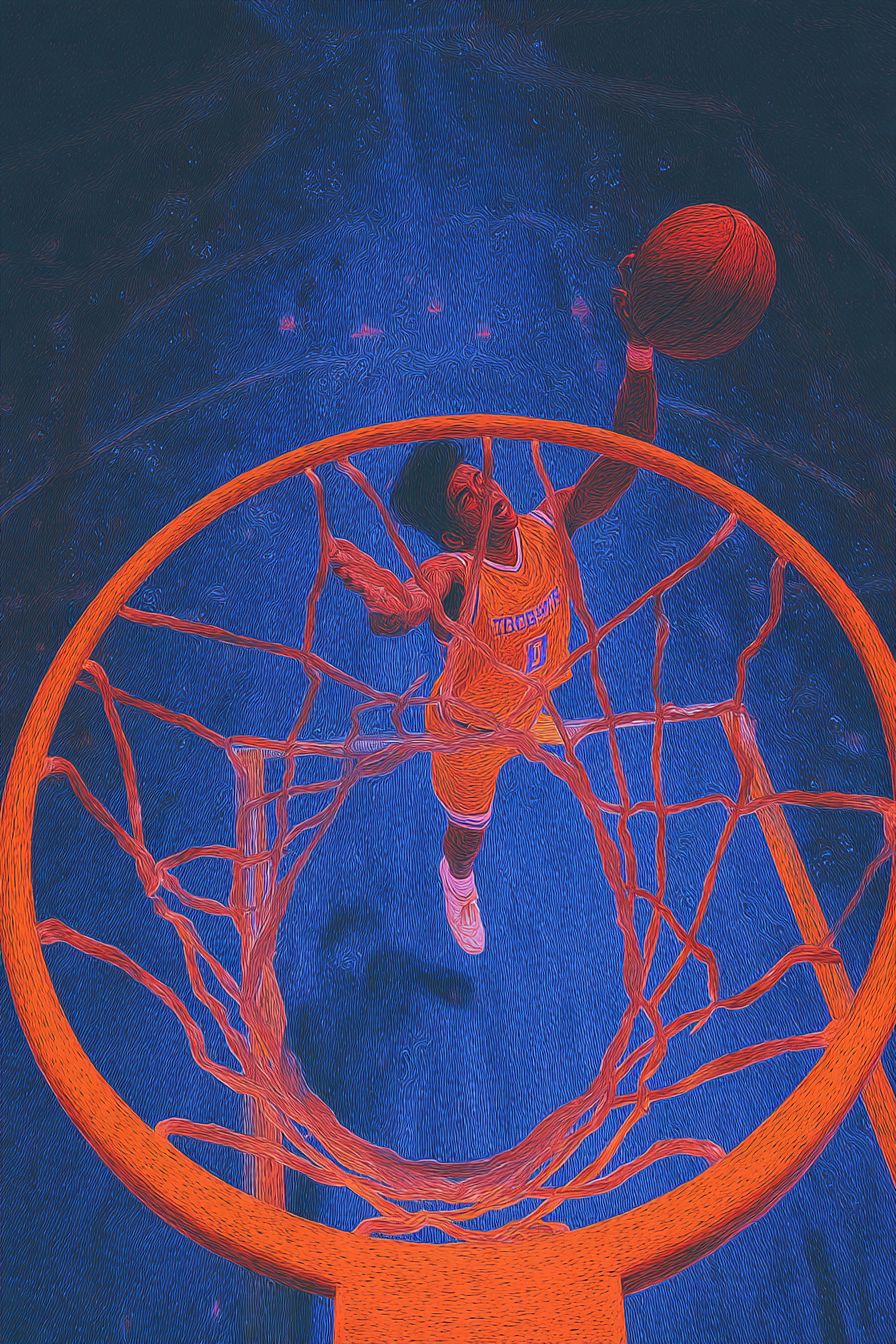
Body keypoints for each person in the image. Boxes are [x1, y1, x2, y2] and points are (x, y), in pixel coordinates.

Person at [329, 263, 657, 954]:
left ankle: (514, 755)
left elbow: (626, 460)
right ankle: (455, 884)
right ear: (454, 534)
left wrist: (640, 351)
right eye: (464, 498)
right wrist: (391, 603)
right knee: (467, 835)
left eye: (479, 478)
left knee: (546, 735)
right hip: (469, 732)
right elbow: (413, 601)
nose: (485, 491)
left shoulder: (548, 526)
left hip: (530, 700)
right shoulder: (455, 571)